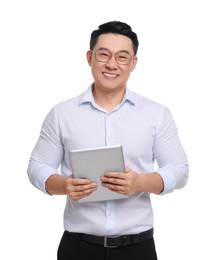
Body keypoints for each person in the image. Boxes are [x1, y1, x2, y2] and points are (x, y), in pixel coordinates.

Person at [27, 20, 189, 260]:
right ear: (89, 57)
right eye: (104, 55)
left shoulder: (156, 114)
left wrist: (140, 182)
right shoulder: (62, 113)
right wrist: (64, 186)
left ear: (133, 63)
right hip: (77, 248)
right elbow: (37, 166)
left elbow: (179, 170)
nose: (112, 64)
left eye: (122, 57)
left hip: (138, 249)